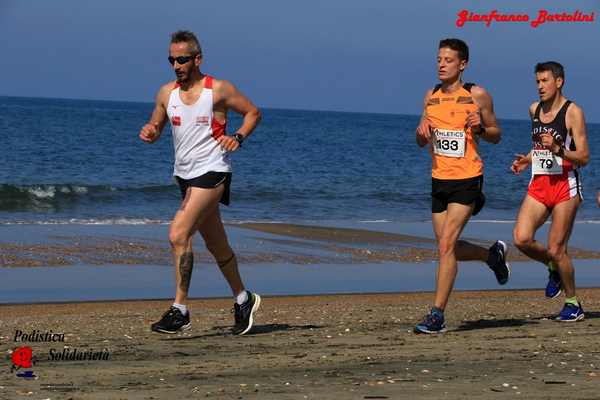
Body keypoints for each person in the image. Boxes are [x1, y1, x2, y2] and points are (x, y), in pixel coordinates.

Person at [139, 31, 262, 335]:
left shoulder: (218, 89)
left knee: (178, 234)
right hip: (184, 176)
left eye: (181, 59)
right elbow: (156, 123)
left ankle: (180, 309)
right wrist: (151, 132)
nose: (176, 65)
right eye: (171, 60)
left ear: (197, 59)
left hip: (213, 172)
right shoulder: (166, 93)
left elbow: (252, 113)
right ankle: (244, 299)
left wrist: (237, 137)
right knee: (216, 244)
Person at [414, 38, 510, 334]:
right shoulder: (430, 95)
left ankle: (436, 314)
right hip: (439, 178)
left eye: (448, 60)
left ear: (463, 64)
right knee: (448, 247)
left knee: (445, 246)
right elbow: (421, 138)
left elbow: (496, 135)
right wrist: (421, 133)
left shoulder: (477, 95)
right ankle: (491, 255)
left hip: (468, 177)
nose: (441, 64)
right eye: (439, 59)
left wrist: (480, 126)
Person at [511, 61, 589, 322]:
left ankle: (572, 302)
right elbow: (540, 146)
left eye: (545, 81)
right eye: (537, 81)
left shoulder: (572, 112)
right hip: (540, 183)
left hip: (566, 186)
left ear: (559, 81)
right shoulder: (534, 109)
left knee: (557, 248)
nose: (540, 87)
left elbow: (584, 156)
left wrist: (559, 150)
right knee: (521, 238)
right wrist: (527, 160)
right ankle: (553, 268)